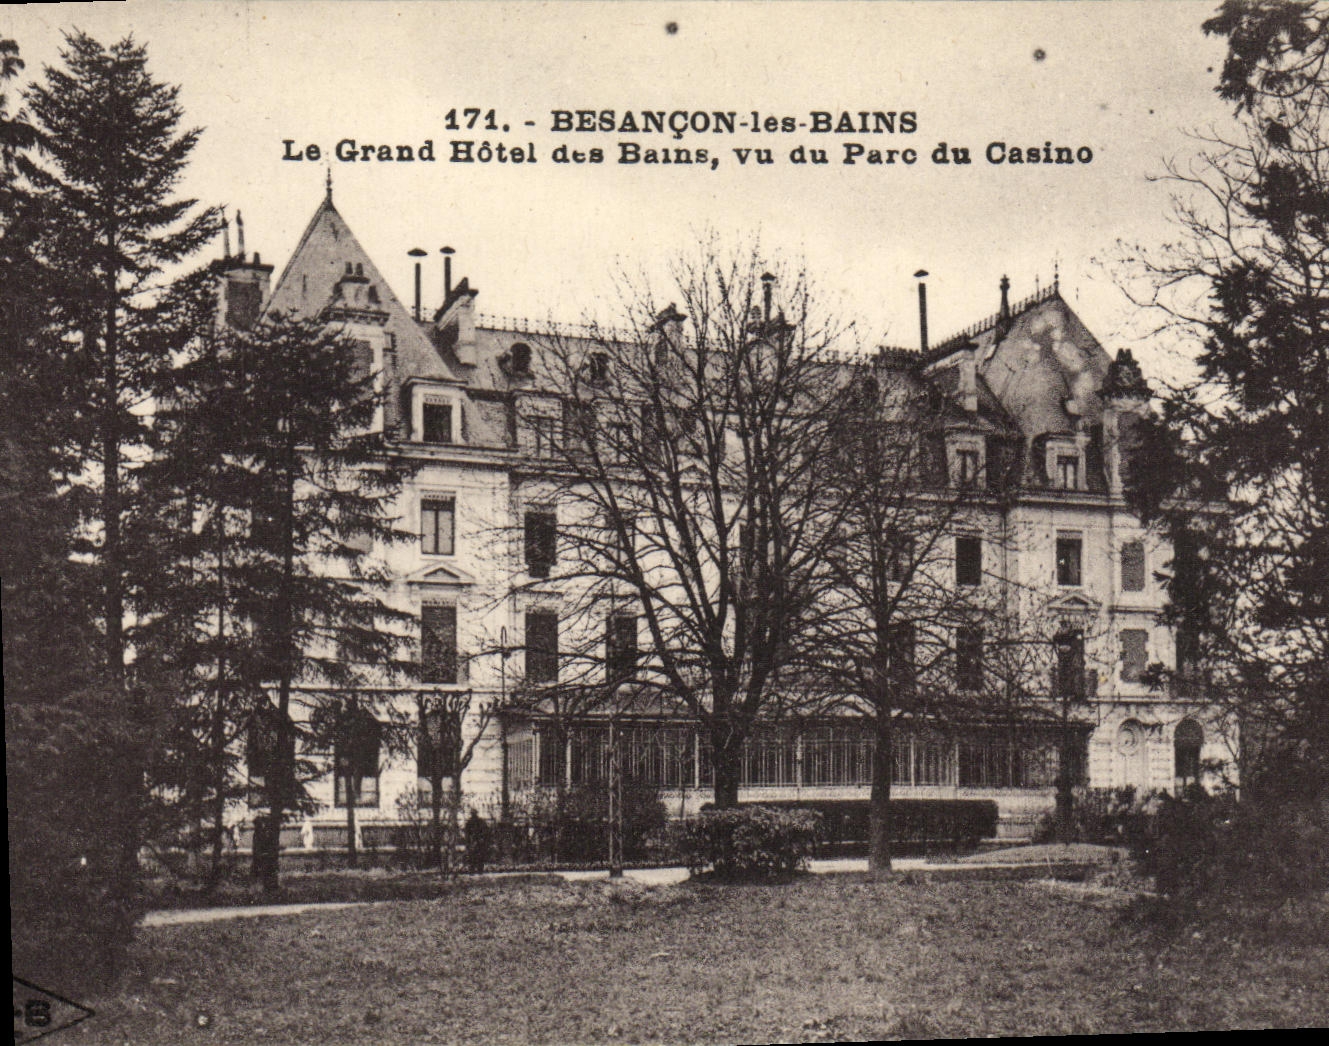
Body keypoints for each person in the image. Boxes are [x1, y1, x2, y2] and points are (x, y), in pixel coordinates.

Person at [464, 808, 491, 873]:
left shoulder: (480, 822)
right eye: (472, 814)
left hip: (479, 842)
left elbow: (485, 831)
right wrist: (468, 842)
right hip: (472, 842)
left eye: (474, 813)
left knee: (479, 857)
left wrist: (481, 838)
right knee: (472, 857)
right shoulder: (469, 822)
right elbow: (467, 833)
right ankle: (472, 870)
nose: (473, 815)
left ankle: (479, 870)